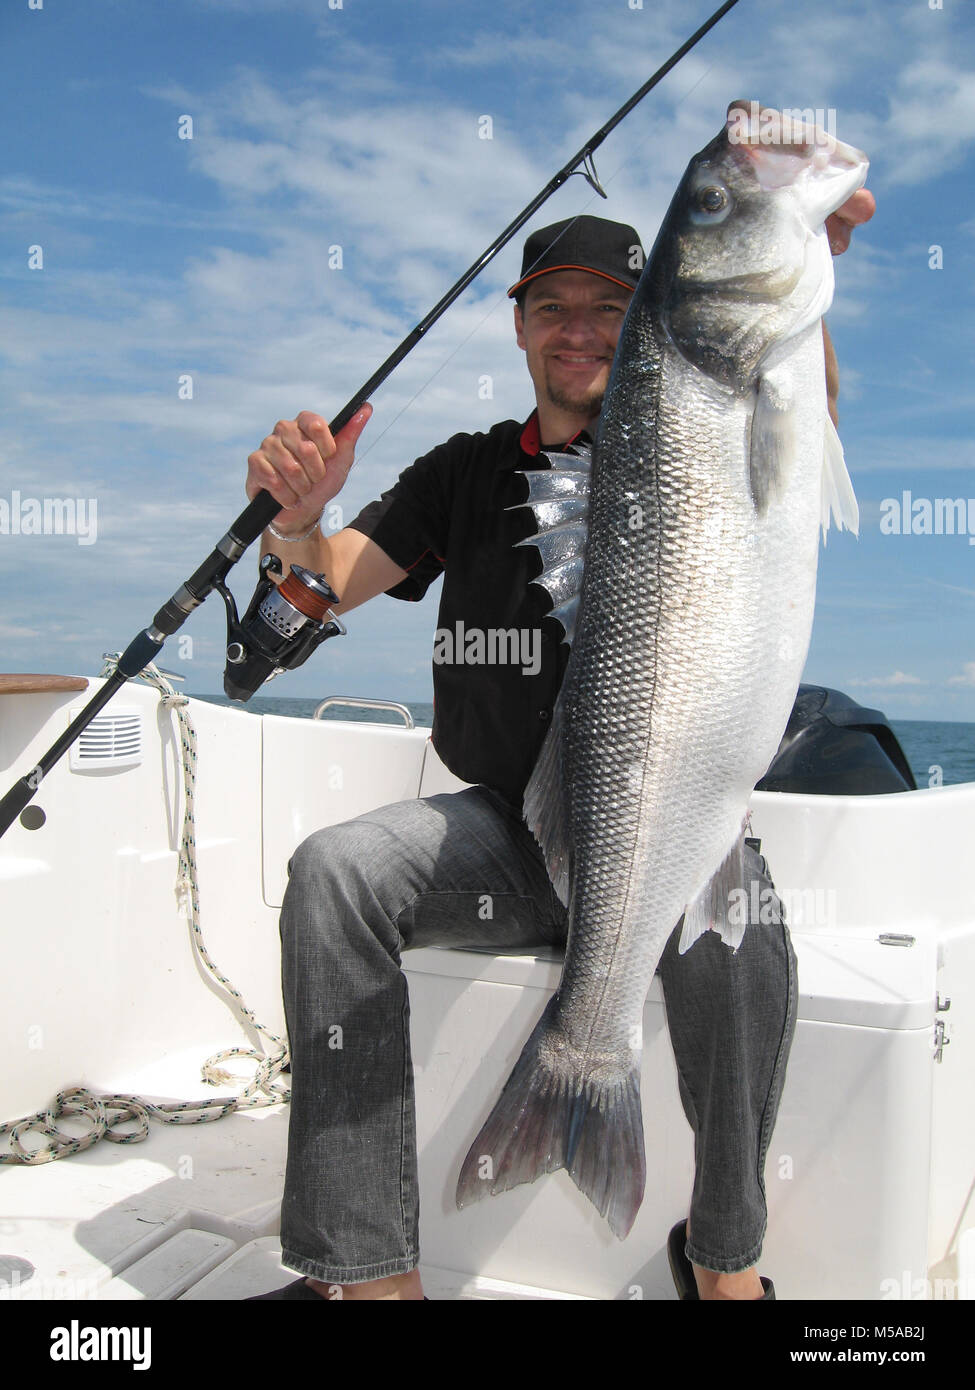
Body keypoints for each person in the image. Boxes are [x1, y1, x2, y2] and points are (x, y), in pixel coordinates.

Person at [244, 182, 875, 1302]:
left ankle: (726, 1264)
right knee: (334, 872)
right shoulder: (465, 472)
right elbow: (326, 583)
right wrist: (299, 520)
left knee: (749, 931)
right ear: (521, 325)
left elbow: (791, 401)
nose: (578, 327)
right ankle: (374, 1276)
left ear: (645, 320)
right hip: (506, 832)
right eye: (553, 306)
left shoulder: (711, 439)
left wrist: (795, 271)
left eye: (607, 305)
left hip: (673, 827)